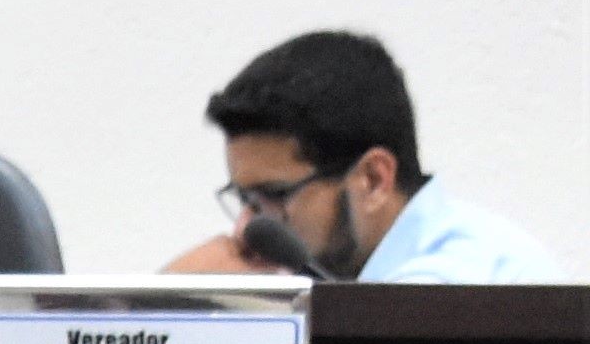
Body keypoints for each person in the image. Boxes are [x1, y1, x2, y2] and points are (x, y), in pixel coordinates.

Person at [166, 29, 558, 283]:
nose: (245, 231)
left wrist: (180, 304)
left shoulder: (460, 286)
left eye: (274, 196)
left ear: (373, 180)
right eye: (245, 200)